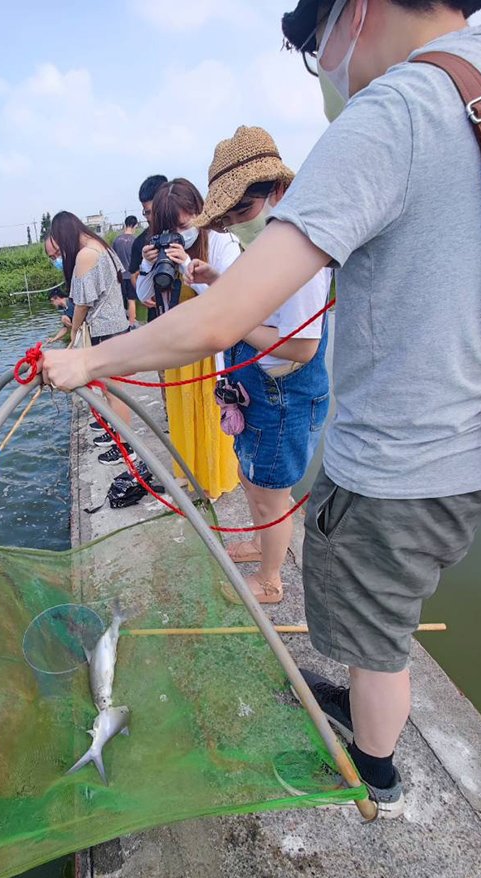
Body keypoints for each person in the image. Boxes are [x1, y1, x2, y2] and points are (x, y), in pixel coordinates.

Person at [42, 0, 481, 817]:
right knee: (388, 617)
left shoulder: (391, 112)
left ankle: (375, 774)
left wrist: (88, 360)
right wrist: (463, 291)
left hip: (400, 462)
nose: (323, 65)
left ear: (353, 12)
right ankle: (367, 715)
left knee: (379, 638)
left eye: (312, 43)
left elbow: (220, 322)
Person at [192, 126, 334, 604]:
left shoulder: (304, 255)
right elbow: (258, 293)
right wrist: (217, 278)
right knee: (253, 478)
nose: (237, 223)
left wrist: (235, 322)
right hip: (258, 391)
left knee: (273, 494)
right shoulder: (269, 245)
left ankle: (271, 582)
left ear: (277, 191)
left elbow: (301, 348)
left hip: (283, 398)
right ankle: (258, 543)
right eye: (229, 219)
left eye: (244, 211)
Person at [136, 179, 239, 501]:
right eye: (169, 228)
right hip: (181, 349)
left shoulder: (222, 242)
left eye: (183, 224)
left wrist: (186, 268)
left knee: (210, 416)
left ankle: (215, 479)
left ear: (199, 211)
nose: (179, 233)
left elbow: (231, 301)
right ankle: (189, 472)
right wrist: (148, 264)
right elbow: (145, 297)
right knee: (182, 416)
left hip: (211, 347)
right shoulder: (164, 251)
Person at [44, 211, 136, 466]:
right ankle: (117, 437)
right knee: (110, 391)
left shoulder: (86, 255)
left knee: (114, 393)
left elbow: (82, 303)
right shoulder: (101, 247)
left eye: (57, 254)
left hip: (107, 331)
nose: (58, 260)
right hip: (114, 328)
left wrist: (73, 332)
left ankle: (126, 448)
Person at [128, 175, 168, 323]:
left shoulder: (185, 234)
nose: (149, 217)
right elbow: (133, 274)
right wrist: (143, 295)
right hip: (157, 315)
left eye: (152, 212)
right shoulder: (141, 242)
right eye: (146, 212)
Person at [112, 216, 140, 325]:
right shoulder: (135, 241)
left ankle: (121, 324)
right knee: (131, 300)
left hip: (119, 276)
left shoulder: (117, 240)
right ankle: (132, 324)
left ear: (125, 224)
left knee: (120, 302)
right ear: (135, 225)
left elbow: (113, 258)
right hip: (131, 276)